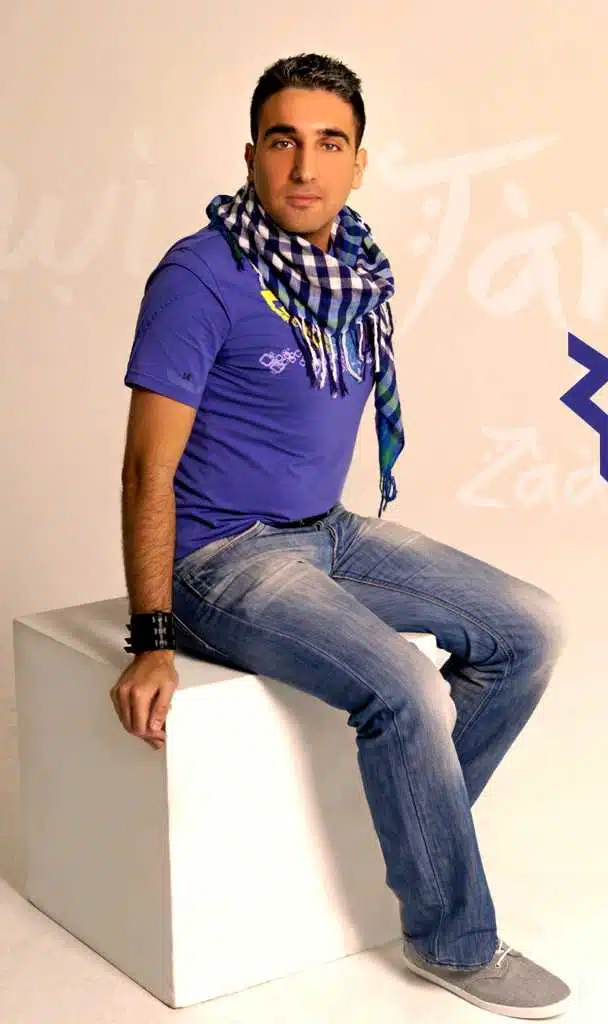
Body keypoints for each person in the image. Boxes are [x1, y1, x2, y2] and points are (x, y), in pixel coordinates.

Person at [109, 52, 572, 1020]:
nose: (304, 166)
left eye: (329, 143)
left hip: (329, 531)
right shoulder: (200, 276)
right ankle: (451, 939)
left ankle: (406, 843)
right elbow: (147, 469)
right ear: (250, 154)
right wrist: (150, 640)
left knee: (529, 627)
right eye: (283, 141)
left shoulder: (353, 274)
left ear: (359, 163)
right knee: (405, 687)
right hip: (220, 560)